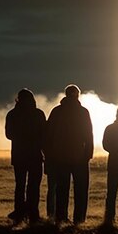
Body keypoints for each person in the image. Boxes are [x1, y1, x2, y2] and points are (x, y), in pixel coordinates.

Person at [44, 84, 93, 225]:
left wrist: (51, 155)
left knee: (61, 190)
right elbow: (89, 135)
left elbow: (48, 135)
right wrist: (87, 155)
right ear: (78, 95)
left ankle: (61, 217)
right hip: (80, 158)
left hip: (60, 158)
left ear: (65, 95)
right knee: (81, 191)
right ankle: (79, 219)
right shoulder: (83, 112)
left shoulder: (57, 112)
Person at [5, 88, 46, 224]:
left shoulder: (12, 114)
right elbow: (43, 135)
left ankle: (19, 212)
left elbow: (9, 135)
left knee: (20, 185)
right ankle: (33, 212)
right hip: (35, 154)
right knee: (34, 185)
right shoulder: (38, 114)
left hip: (19, 155)